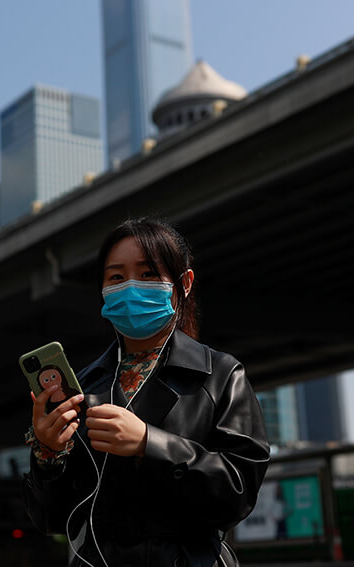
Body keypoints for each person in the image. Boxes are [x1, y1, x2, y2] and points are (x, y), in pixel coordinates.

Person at [22, 217, 270, 567]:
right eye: (116, 277)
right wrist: (48, 454)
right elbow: (50, 519)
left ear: (184, 283)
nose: (131, 288)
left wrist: (148, 443)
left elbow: (238, 494)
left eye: (149, 274)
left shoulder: (220, 375)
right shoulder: (83, 386)